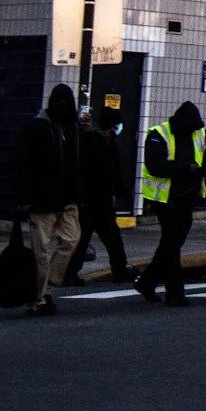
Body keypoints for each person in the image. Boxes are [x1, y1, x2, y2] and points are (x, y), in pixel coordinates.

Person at [11, 85, 82, 317]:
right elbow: (24, 163)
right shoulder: (37, 128)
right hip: (43, 199)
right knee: (40, 251)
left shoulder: (72, 127)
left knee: (71, 240)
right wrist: (24, 197)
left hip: (66, 197)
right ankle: (38, 298)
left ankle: (46, 288)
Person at [136, 100, 206, 306]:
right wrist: (186, 167)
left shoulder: (199, 134)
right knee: (173, 241)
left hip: (187, 196)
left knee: (172, 242)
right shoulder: (159, 134)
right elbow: (155, 166)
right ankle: (175, 292)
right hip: (165, 198)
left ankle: (147, 281)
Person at [63, 104, 131, 286]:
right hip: (96, 199)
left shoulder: (104, 141)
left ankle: (72, 273)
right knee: (107, 237)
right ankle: (119, 271)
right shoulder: (99, 142)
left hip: (95, 199)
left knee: (91, 238)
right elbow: (104, 173)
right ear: (113, 125)